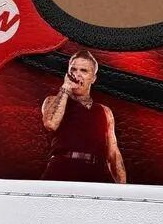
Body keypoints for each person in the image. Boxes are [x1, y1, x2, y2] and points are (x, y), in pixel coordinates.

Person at [40, 50, 126, 183]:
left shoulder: (105, 111)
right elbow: (50, 123)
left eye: (83, 71)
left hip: (94, 174)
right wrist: (66, 87)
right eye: (73, 70)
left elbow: (113, 154)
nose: (77, 74)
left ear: (93, 78)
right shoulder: (52, 100)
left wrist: (123, 188)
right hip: (60, 170)